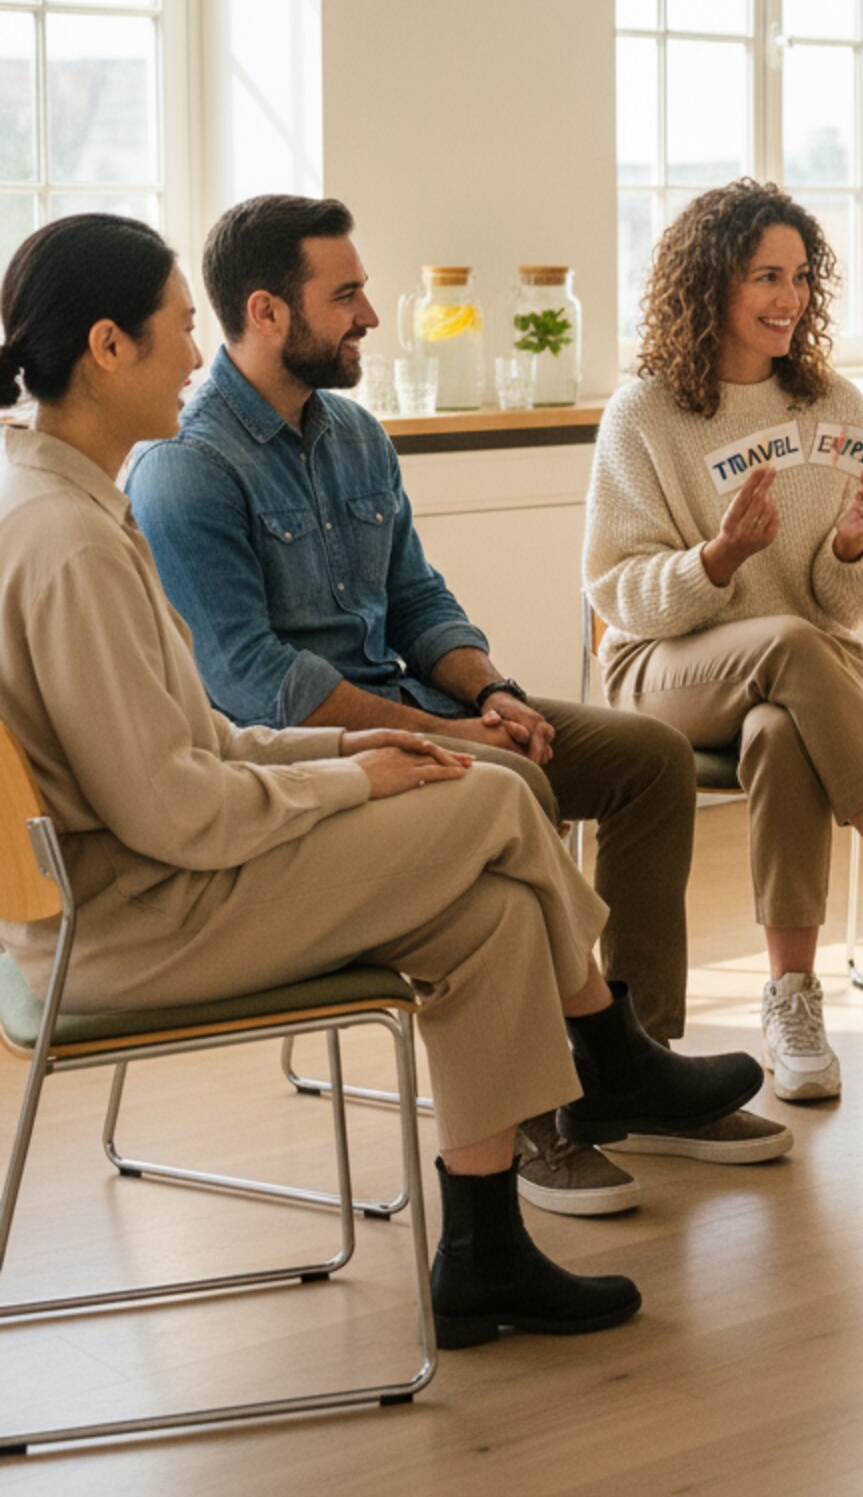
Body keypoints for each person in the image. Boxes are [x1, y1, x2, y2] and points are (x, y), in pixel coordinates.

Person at [0, 214, 767, 1346]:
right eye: (173, 332)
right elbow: (175, 799)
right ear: (106, 347)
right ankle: (605, 1053)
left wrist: (350, 750)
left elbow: (192, 740)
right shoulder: (70, 534)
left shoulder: (68, 500)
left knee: (494, 905)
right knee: (496, 792)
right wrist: (356, 779)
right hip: (134, 920)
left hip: (155, 876)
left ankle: (484, 1248)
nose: (193, 355)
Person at [584, 179, 863, 1105]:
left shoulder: (833, 401)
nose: (788, 298)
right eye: (764, 277)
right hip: (663, 667)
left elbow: (843, 605)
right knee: (788, 646)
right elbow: (615, 587)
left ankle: (791, 1002)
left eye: (799, 277)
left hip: (800, 677)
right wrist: (716, 560)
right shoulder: (645, 412)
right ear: (709, 285)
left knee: (784, 729)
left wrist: (853, 543)